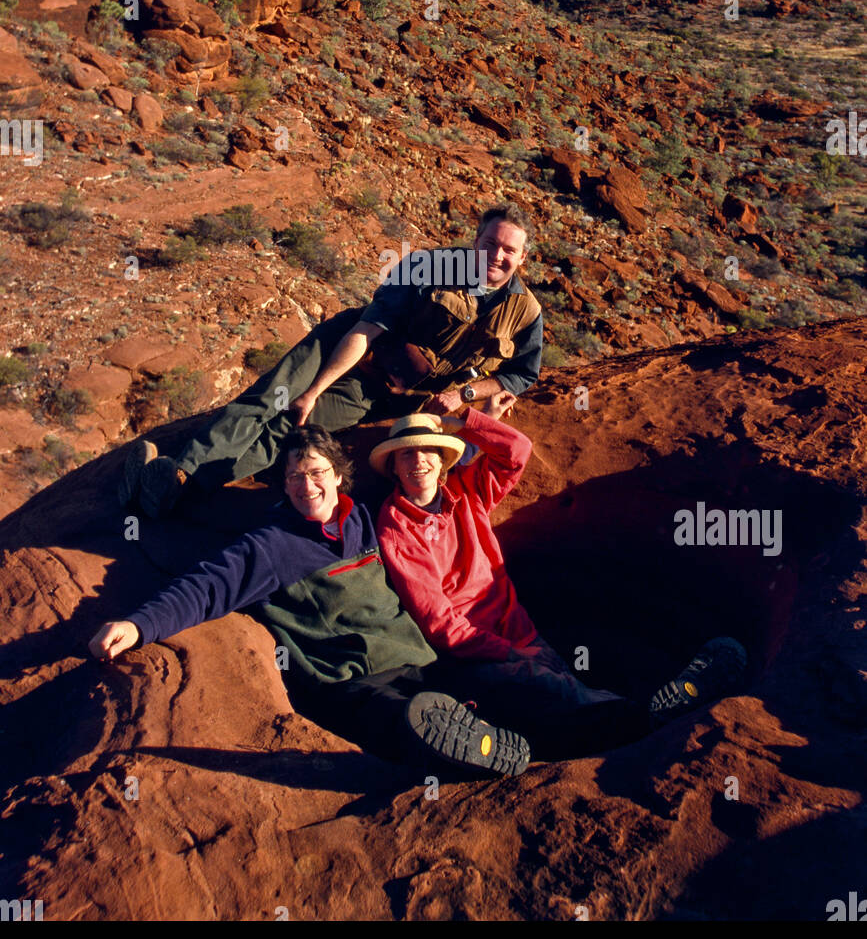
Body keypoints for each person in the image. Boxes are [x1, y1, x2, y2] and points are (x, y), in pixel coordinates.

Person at [91, 428, 531, 778]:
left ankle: (485, 738)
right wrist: (139, 625)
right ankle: (448, 750)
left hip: (416, 658)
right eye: (296, 477)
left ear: (338, 475)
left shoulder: (363, 517)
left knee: (480, 689)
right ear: (283, 485)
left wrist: (474, 417)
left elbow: (443, 474)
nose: (308, 486)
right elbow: (207, 588)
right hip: (352, 679)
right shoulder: (272, 546)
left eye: (317, 472)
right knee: (395, 716)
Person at [371, 405, 749, 760]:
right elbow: (440, 623)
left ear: (442, 463)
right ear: (394, 468)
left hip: (521, 630)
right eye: (406, 454)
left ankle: (653, 701)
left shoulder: (466, 490)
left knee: (581, 673)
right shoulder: (396, 526)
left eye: (428, 452)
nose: (418, 461)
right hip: (474, 653)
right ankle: (655, 717)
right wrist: (510, 653)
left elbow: (516, 450)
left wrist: (467, 421)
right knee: (554, 690)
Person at [120, 203, 543, 518]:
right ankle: (180, 472)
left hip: (392, 395)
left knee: (291, 431)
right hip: (345, 345)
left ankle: (179, 492)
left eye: (509, 250)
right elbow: (367, 329)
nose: (497, 256)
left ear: (522, 258)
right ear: (476, 241)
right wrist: (315, 388)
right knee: (273, 400)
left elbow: (522, 373)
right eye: (490, 244)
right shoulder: (427, 266)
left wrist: (465, 394)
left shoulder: (526, 312)